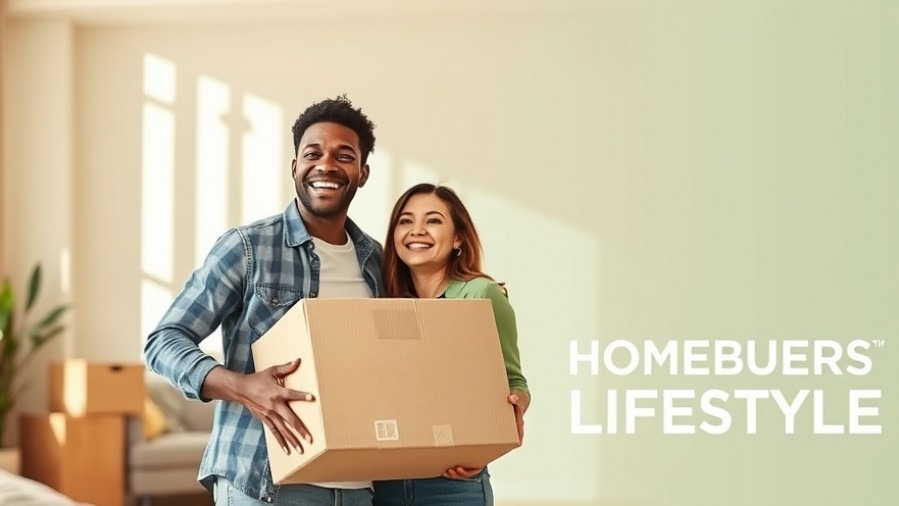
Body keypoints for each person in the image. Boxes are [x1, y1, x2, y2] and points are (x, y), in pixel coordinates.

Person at [143, 95, 382, 506]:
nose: (326, 164)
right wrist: (243, 387)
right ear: (295, 167)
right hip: (265, 482)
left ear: (362, 174)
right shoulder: (248, 247)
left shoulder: (377, 261)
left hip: (360, 485)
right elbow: (164, 340)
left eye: (344, 156)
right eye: (313, 153)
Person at [373, 183, 531, 506]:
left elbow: (514, 383)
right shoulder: (383, 305)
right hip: (381, 484)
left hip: (452, 485)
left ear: (458, 237)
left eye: (432, 221)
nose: (417, 231)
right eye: (405, 221)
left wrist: (495, 438)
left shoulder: (481, 295)